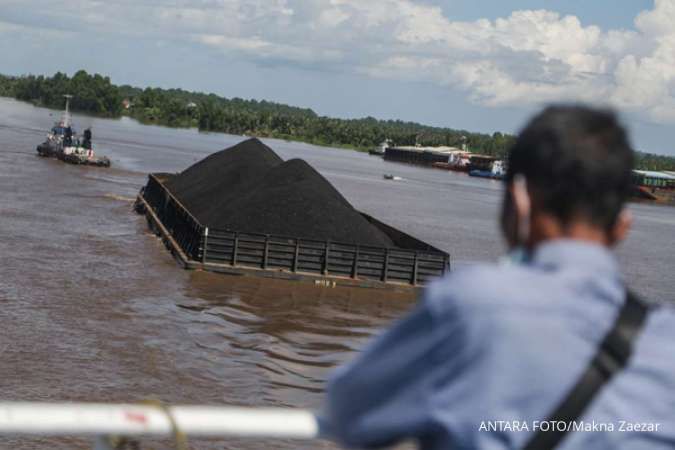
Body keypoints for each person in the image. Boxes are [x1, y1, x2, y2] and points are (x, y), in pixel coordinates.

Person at [322, 105, 675, 449]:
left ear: (518, 201)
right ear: (623, 225)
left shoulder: (472, 303)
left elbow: (350, 409)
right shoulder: (666, 342)